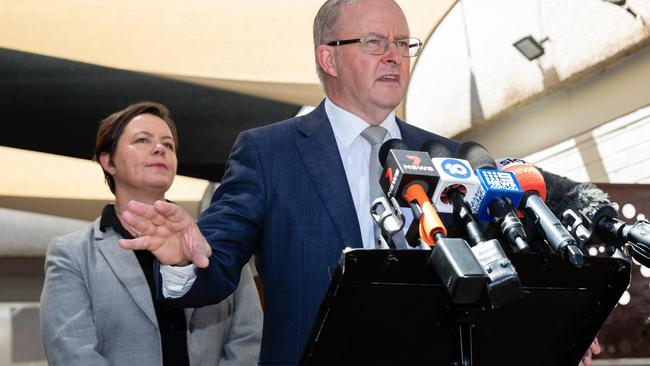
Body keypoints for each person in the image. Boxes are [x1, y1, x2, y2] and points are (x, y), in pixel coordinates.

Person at [118, 1, 601, 364]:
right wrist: (184, 256)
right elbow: (216, 265)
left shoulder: (448, 155)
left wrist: (552, 329)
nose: (394, 56)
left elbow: (496, 261)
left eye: (403, 44)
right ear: (329, 58)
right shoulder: (269, 152)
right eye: (374, 42)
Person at [40, 101, 263, 366]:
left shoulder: (218, 239)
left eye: (168, 145)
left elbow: (249, 338)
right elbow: (71, 352)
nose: (159, 149)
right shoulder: (72, 253)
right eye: (142, 140)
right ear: (108, 161)